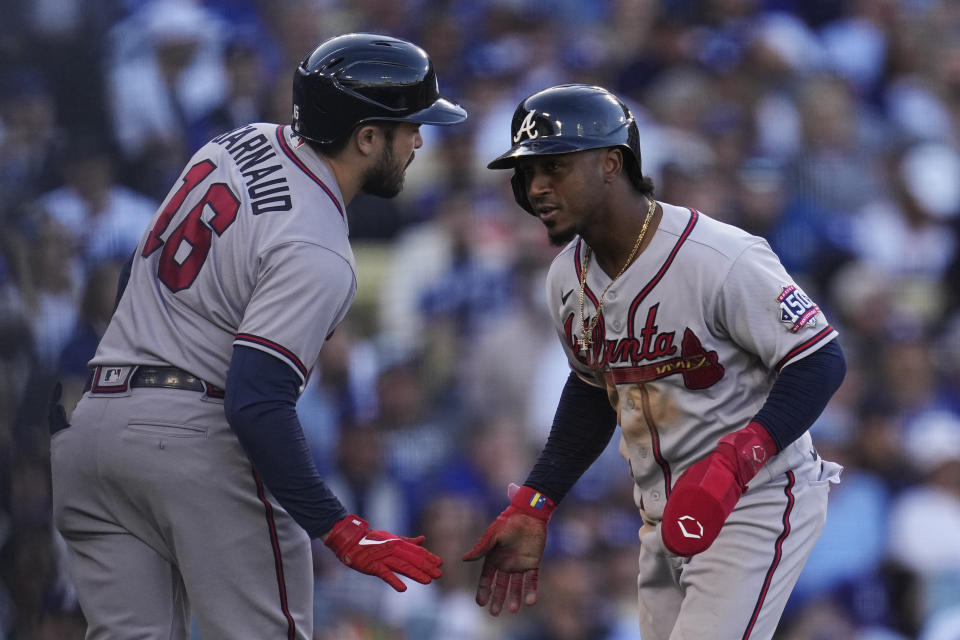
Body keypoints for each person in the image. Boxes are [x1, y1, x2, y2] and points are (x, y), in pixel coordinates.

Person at [49, 33, 466, 640]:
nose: (420, 140)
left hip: (94, 428)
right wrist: (336, 525)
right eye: (409, 128)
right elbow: (257, 400)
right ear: (367, 137)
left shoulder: (233, 143)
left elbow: (128, 284)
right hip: (194, 440)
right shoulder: (319, 246)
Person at [463, 84, 846, 640]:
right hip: (661, 520)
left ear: (611, 164)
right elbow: (594, 387)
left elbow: (819, 360)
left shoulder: (719, 256)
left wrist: (741, 456)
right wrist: (537, 499)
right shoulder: (565, 277)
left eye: (554, 168)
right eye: (526, 174)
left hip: (754, 500)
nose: (536, 188)